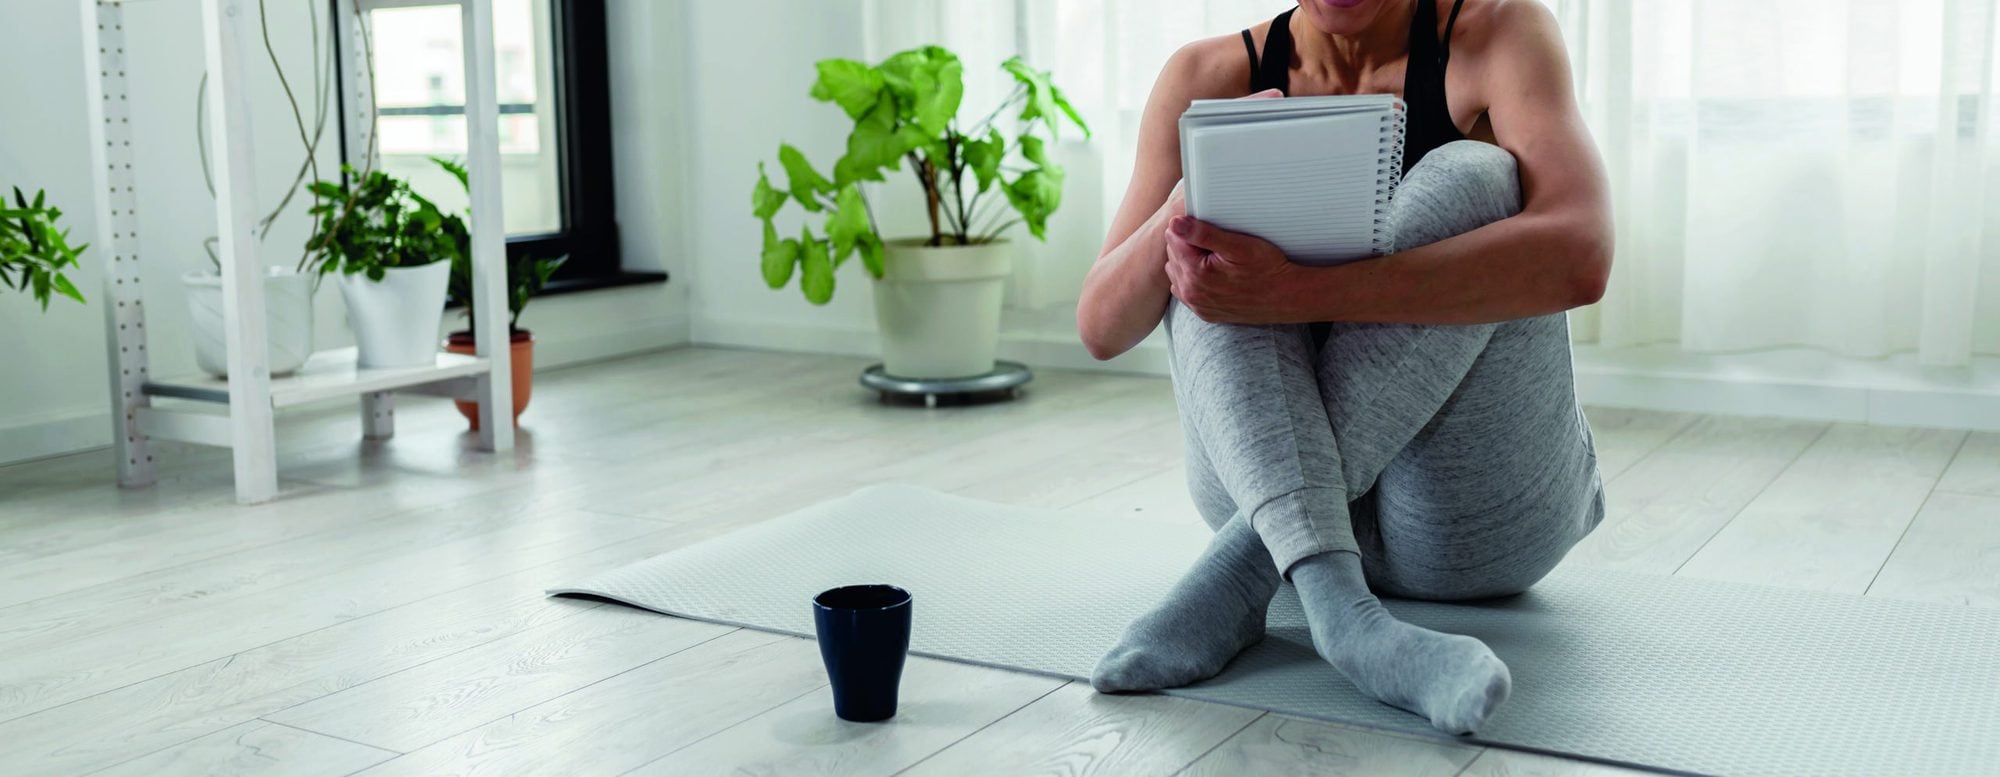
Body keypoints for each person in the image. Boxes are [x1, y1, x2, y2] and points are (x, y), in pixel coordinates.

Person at [1076, 0, 1611, 734]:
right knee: (1199, 230)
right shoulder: (1207, 75)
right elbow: (1101, 326)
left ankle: (1239, 576)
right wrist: (1189, 198)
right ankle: (1343, 612)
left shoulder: (1499, 34)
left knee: (1474, 176)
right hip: (1271, 498)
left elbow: (1584, 254)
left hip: (1465, 527)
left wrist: (1304, 292)